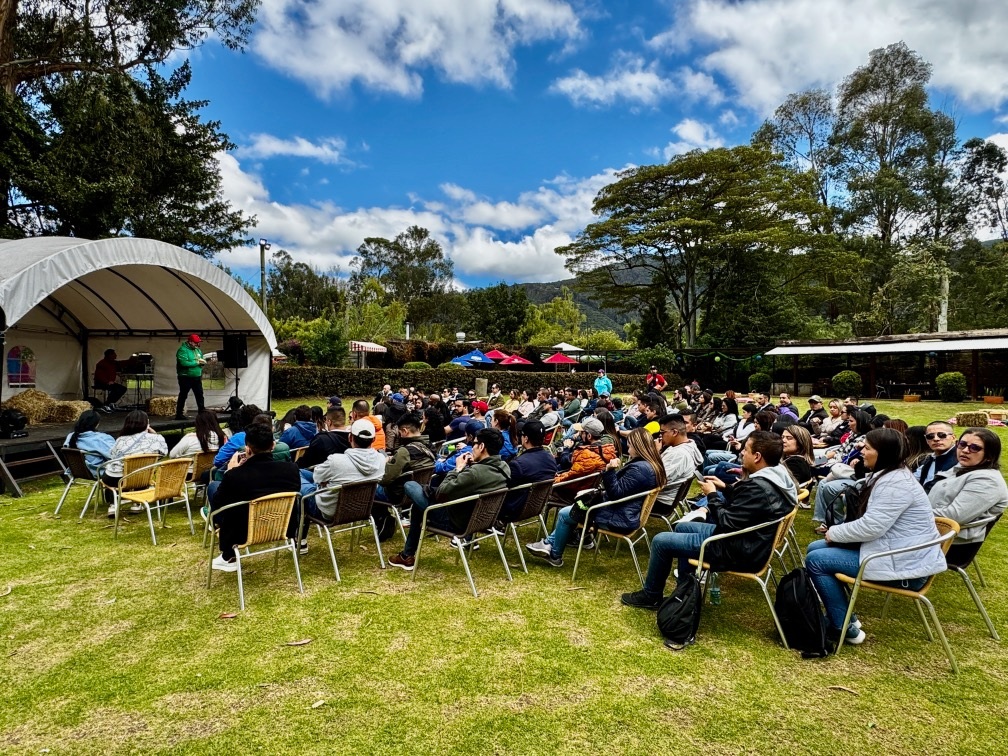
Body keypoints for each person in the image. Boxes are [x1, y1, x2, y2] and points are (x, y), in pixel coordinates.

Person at [620, 431, 797, 610]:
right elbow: (750, 507)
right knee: (682, 527)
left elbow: (725, 522)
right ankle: (685, 591)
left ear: (757, 456)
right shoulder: (776, 477)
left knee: (660, 540)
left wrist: (712, 495)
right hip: (750, 541)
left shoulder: (758, 487)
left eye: (746, 449)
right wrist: (726, 488)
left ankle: (651, 595)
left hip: (737, 549)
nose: (742, 453)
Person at [805, 428, 947, 645]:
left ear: (884, 453)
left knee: (816, 561)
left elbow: (872, 527)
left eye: (867, 448)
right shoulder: (890, 475)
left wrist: (834, 533)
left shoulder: (895, 483)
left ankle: (841, 628)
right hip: (893, 551)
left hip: (906, 567)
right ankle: (847, 618)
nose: (861, 450)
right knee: (815, 548)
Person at [525, 427, 666, 568]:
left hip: (620, 516)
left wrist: (609, 471)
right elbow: (622, 492)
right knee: (579, 504)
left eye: (629, 444)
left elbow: (616, 493)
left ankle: (554, 554)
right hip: (626, 511)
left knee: (565, 513)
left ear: (638, 446)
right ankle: (550, 544)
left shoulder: (640, 469)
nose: (627, 447)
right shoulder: (651, 466)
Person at [389, 428, 511, 571]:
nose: (472, 447)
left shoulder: (476, 473)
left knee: (410, 485)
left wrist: (458, 469)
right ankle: (406, 555)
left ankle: (407, 555)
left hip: (456, 521)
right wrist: (471, 466)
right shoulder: (504, 468)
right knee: (419, 507)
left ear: (482, 446)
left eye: (474, 443)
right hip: (480, 519)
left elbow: (442, 493)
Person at [207, 423, 302, 571]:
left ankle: (228, 554)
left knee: (214, 488)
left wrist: (230, 472)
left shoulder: (235, 476)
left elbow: (219, 505)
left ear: (248, 449)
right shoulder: (291, 470)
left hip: (242, 532)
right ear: (273, 445)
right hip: (282, 526)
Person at [928, 427, 1008, 564]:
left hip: (949, 543)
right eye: (962, 444)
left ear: (989, 455)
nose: (965, 450)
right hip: (934, 531)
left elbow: (953, 516)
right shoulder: (965, 468)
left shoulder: (987, 481)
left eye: (975, 448)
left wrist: (910, 516)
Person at [302, 419, 387, 537]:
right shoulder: (381, 460)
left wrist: (327, 482)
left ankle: (300, 539)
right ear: (373, 439)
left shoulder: (336, 461)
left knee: (297, 477)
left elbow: (317, 477)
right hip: (361, 509)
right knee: (302, 473)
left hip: (328, 511)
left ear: (350, 438)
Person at [101, 410, 169, 516]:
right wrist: (151, 431)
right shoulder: (157, 438)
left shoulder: (120, 440)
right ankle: (136, 503)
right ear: (147, 423)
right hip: (142, 478)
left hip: (116, 479)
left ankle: (113, 505)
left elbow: (112, 457)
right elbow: (163, 453)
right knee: (141, 470)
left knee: (115, 472)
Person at [499, 420, 559, 522]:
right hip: (536, 506)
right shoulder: (551, 459)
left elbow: (503, 487)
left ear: (526, 438)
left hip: (513, 510)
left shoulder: (518, 464)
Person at [378, 415, 436, 506]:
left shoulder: (405, 452)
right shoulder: (430, 446)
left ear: (405, 431)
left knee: (371, 488)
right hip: (422, 491)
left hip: (398, 495)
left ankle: (382, 518)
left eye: (400, 433)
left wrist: (384, 463)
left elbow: (385, 479)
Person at [652, 414, 702, 516]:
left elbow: (656, 480)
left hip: (659, 501)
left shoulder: (679, 454)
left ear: (674, 432)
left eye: (662, 432)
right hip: (664, 497)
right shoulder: (688, 445)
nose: (660, 436)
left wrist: (655, 454)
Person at [169, 409, 229, 474]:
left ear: (198, 423)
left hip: (188, 473)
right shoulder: (223, 438)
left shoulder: (190, 438)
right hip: (212, 472)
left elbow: (172, 454)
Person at [296, 407, 351, 472]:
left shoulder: (321, 439)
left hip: (324, 476)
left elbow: (306, 462)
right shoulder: (354, 439)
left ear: (329, 422)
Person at [63, 409, 115, 477]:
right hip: (101, 472)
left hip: (79, 471)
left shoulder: (71, 436)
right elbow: (115, 456)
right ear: (96, 424)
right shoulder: (100, 439)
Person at [914, 421, 958, 493]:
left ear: (953, 438)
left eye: (942, 435)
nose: (936, 439)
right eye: (930, 436)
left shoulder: (960, 459)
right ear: (926, 440)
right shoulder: (928, 460)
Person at [175, 333, 206, 420]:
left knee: (199, 394)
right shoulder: (182, 350)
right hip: (185, 377)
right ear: (190, 342)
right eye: (196, 342)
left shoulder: (197, 350)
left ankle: (202, 413)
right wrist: (197, 363)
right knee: (183, 395)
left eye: (198, 342)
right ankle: (179, 414)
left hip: (197, 376)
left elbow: (201, 359)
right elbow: (184, 363)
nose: (197, 344)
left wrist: (202, 363)